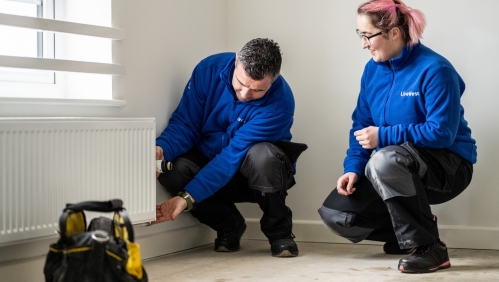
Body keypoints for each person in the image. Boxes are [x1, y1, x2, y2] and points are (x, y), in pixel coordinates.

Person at [318, 0, 476, 273]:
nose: (363, 44)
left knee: (384, 159)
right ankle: (408, 233)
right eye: (360, 35)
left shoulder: (436, 70)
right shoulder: (372, 70)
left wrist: (384, 136)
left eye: (367, 36)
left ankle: (430, 248)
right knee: (337, 215)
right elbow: (362, 125)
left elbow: (442, 133)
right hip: (393, 165)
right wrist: (354, 167)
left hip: (449, 166)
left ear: (394, 32)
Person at [152, 38, 307, 258]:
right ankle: (229, 225)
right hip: (210, 165)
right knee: (173, 169)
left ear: (273, 80)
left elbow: (230, 157)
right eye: (241, 83)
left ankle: (280, 233)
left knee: (264, 156)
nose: (244, 95)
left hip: (255, 177)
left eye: (256, 90)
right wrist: (162, 148)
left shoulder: (280, 105)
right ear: (236, 61)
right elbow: (187, 124)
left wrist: (186, 198)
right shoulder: (208, 70)